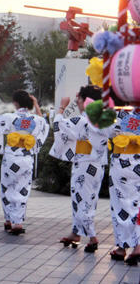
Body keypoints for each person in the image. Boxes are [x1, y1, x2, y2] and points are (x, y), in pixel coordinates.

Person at [49, 85, 110, 252]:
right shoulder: (104, 119)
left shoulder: (83, 120)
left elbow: (59, 126)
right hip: (97, 165)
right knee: (85, 200)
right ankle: (75, 233)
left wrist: (62, 107)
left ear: (86, 101)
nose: (78, 103)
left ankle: (92, 237)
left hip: (84, 165)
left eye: (80, 100)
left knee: (83, 201)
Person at [0, 90, 48, 235]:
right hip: (26, 158)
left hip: (11, 158)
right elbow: (44, 125)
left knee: (7, 187)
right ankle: (17, 221)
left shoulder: (9, 117)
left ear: (15, 103)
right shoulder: (35, 120)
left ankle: (9, 220)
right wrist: (37, 106)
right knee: (22, 188)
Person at [108, 104, 140, 264]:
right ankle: (137, 245)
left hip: (122, 163)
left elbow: (108, 132)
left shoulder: (122, 114)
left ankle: (123, 247)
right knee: (137, 204)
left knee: (120, 205)